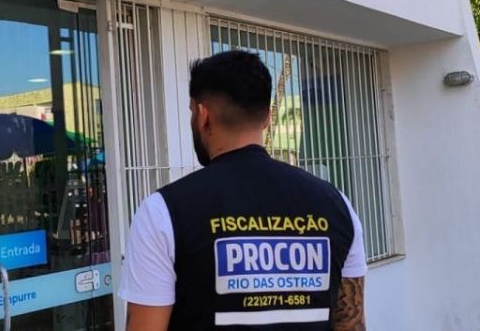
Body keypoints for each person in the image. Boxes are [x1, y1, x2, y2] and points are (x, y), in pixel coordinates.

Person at [118, 50, 367, 330]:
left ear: (203, 116)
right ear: (267, 118)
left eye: (191, 112)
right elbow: (351, 323)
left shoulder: (163, 211)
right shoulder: (337, 205)